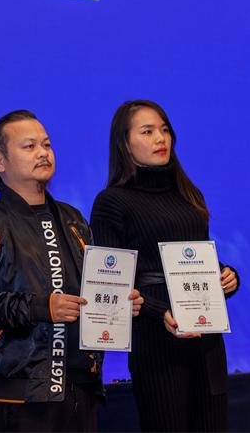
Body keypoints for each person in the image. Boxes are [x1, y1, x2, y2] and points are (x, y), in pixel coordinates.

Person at [0, 109, 143, 432]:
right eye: (29, 146)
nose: (43, 153)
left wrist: (118, 302)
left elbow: (91, 292)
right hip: (20, 391)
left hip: (82, 385)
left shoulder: (73, 219)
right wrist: (42, 307)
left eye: (47, 144)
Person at [89, 99, 239, 432]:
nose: (161, 138)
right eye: (148, 131)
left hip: (207, 340)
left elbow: (197, 259)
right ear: (124, 143)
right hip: (156, 343)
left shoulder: (189, 194)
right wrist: (160, 312)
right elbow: (111, 284)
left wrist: (227, 277)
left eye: (165, 130)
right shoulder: (111, 202)